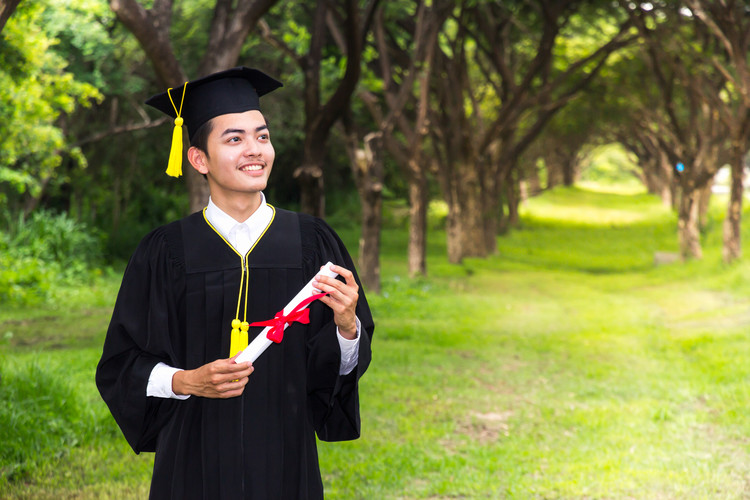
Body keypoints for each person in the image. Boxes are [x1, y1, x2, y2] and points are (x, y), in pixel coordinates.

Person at [95, 67, 374, 500]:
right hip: (192, 463)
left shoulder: (311, 243)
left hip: (285, 462)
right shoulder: (166, 251)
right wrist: (187, 381)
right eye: (234, 139)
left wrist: (346, 327)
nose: (255, 150)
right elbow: (121, 365)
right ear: (198, 159)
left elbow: (333, 373)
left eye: (262, 136)